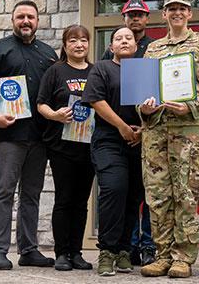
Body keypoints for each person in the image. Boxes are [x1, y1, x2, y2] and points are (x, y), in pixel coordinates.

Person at [138, 0, 199, 279]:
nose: (176, 13)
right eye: (171, 8)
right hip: (157, 130)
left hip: (189, 129)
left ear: (190, 13)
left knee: (186, 192)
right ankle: (161, 255)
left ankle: (183, 257)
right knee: (158, 194)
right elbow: (142, 89)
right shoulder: (153, 48)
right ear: (164, 14)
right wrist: (144, 109)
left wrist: (192, 104)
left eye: (182, 8)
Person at [0, 0, 59, 270]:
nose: (26, 21)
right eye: (20, 16)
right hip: (8, 134)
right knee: (3, 192)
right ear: (13, 20)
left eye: (30, 17)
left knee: (31, 194)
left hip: (40, 136)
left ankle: (28, 249)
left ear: (38, 20)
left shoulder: (48, 54)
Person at [83, 27, 145, 277]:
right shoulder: (102, 68)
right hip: (109, 140)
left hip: (139, 141)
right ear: (111, 47)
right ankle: (107, 251)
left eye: (128, 38)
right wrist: (121, 126)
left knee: (133, 195)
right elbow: (97, 101)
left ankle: (123, 251)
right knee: (114, 189)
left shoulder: (144, 70)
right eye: (118, 38)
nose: (123, 41)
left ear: (136, 44)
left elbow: (152, 103)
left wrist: (143, 129)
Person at [36, 24, 95, 272]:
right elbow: (41, 104)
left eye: (83, 40)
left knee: (81, 202)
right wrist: (55, 115)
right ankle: (61, 253)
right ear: (65, 45)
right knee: (64, 199)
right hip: (61, 147)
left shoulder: (96, 72)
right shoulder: (55, 71)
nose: (79, 44)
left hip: (89, 148)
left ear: (88, 44)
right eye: (73, 41)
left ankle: (76, 252)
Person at [101, 0, 154, 266]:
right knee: (120, 190)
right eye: (130, 15)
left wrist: (143, 129)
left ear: (147, 18)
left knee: (140, 194)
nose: (135, 19)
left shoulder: (154, 50)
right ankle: (125, 249)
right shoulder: (106, 62)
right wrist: (122, 127)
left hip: (145, 134)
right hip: (114, 135)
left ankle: (146, 247)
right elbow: (101, 96)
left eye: (139, 15)